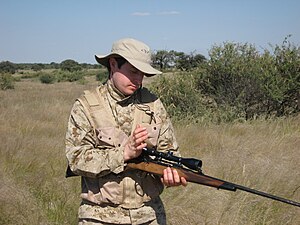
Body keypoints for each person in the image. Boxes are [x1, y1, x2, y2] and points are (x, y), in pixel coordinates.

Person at [65, 38, 187, 225]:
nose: (138, 80)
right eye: (133, 72)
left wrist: (170, 175)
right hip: (99, 217)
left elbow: (170, 154)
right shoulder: (86, 106)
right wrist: (123, 154)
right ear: (113, 64)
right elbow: (76, 159)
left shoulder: (153, 105)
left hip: (149, 215)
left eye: (143, 74)